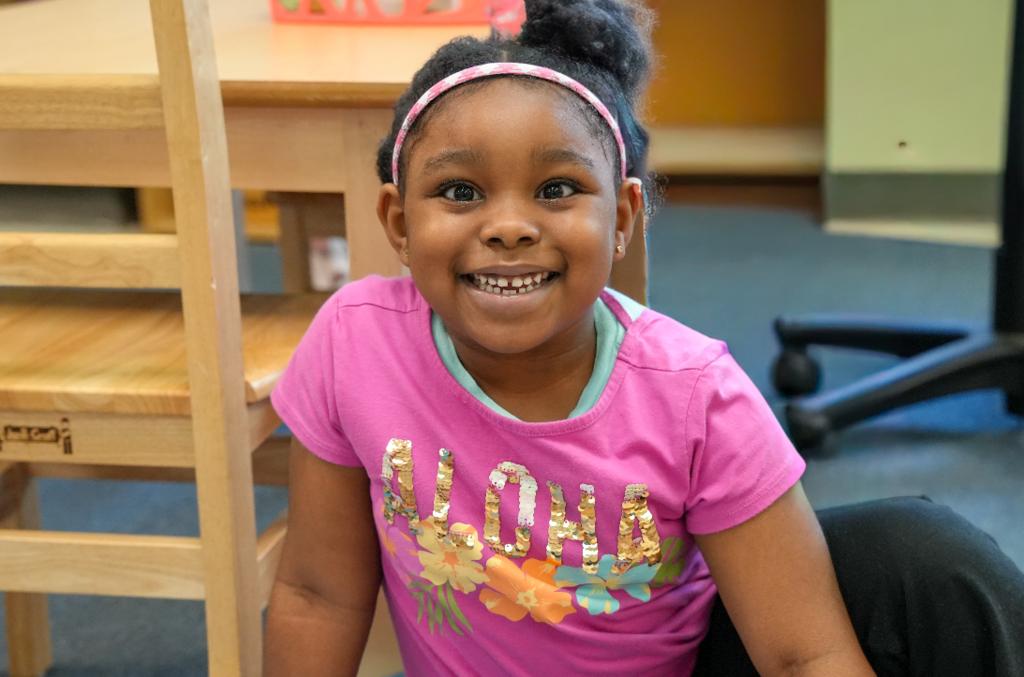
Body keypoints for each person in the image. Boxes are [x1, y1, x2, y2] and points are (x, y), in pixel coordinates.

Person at [263, 1, 1024, 675]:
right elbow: (316, 593)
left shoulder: (697, 395)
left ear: (623, 218)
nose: (508, 226)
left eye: (558, 189)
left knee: (926, 557)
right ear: (398, 222)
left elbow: (802, 654)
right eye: (459, 192)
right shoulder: (354, 343)